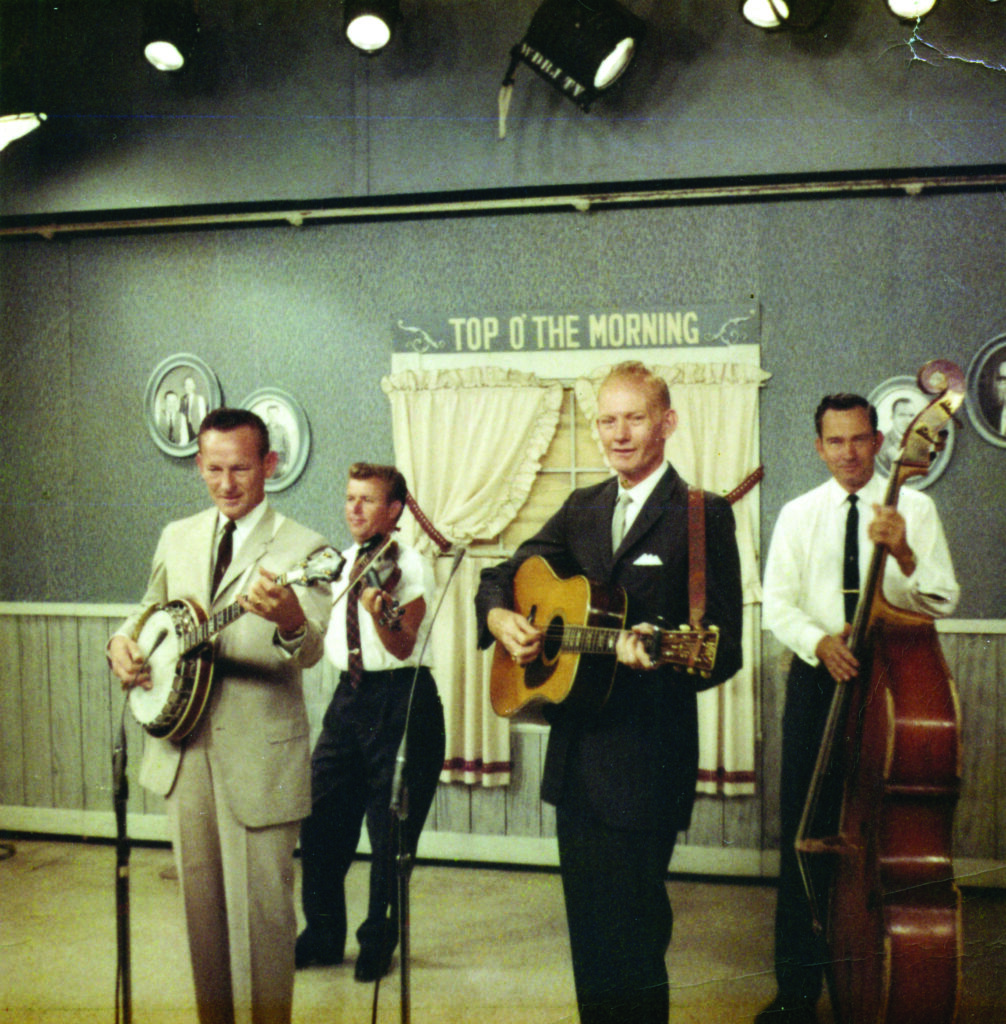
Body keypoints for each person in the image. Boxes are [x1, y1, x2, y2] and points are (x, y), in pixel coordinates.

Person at [475, 361, 743, 1024]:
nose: (618, 433)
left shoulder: (702, 516)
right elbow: (506, 574)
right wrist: (498, 617)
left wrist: (666, 655)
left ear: (667, 423)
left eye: (634, 417)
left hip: (647, 763)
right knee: (589, 941)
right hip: (574, 764)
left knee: (635, 938)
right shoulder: (582, 507)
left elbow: (724, 647)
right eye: (607, 419)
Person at [107, 407, 333, 1024]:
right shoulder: (177, 535)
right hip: (182, 752)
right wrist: (120, 645)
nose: (226, 483)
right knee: (201, 921)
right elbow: (149, 610)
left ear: (270, 465)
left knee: (265, 924)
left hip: (260, 759)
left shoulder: (306, 548)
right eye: (213, 469)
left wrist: (287, 615)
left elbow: (310, 647)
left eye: (240, 468)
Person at [757, 393, 959, 1024]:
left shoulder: (916, 508)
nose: (847, 453)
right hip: (820, 679)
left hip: (893, 682)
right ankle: (797, 994)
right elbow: (777, 604)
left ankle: (882, 971)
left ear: (878, 442)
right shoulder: (797, 514)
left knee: (883, 824)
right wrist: (818, 642)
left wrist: (901, 552)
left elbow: (942, 598)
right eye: (834, 442)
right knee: (806, 832)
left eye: (858, 439)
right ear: (819, 447)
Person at [295, 463, 446, 982]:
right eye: (348, 497)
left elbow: (403, 642)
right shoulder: (341, 562)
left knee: (389, 835)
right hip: (349, 698)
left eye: (366, 500)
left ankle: (378, 943)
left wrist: (377, 606)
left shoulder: (413, 565)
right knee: (318, 821)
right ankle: (321, 934)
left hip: (401, 701)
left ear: (394, 510)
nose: (353, 508)